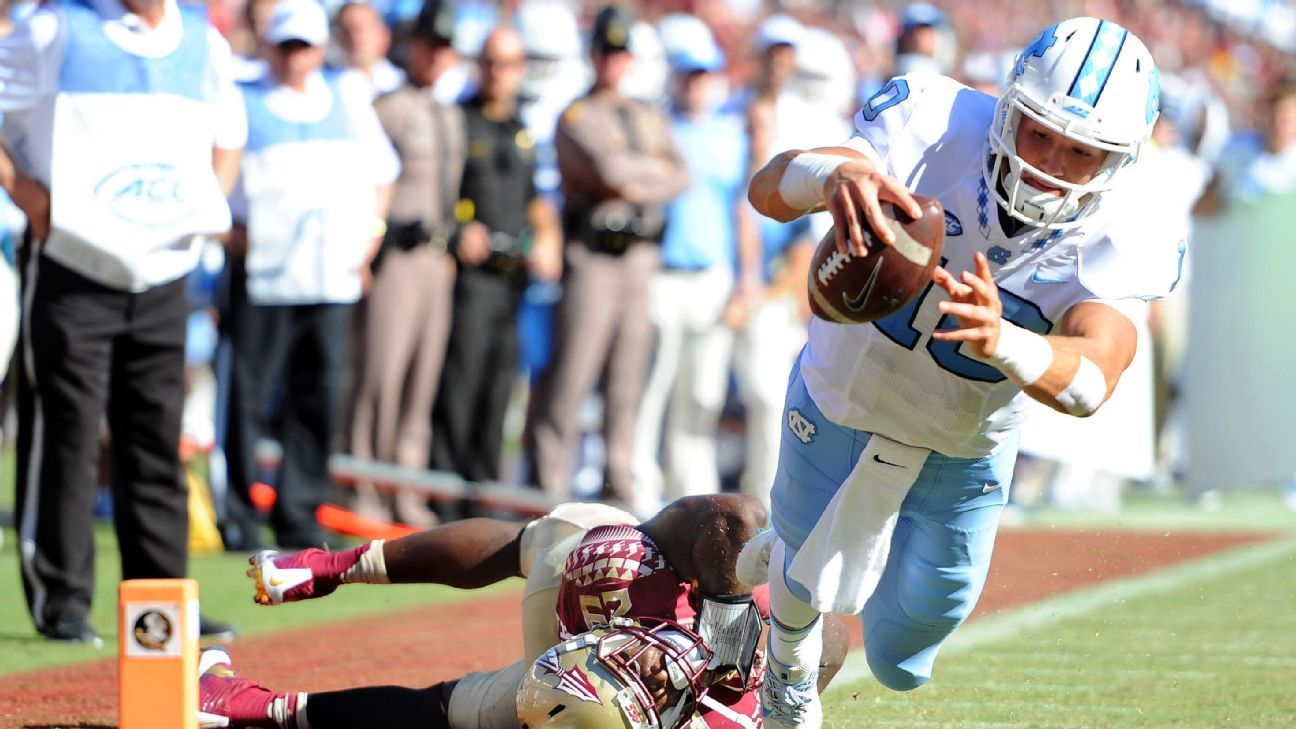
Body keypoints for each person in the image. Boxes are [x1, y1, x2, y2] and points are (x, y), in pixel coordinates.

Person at [744, 18, 1175, 728]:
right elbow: (768, 189)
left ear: (1119, 161)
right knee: (805, 579)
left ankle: (797, 552)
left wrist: (1006, 340)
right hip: (844, 396)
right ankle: (786, 671)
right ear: (1008, 107)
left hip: (966, 445)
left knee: (901, 658)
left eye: (1081, 152)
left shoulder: (1128, 223)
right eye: (1040, 133)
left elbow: (1095, 375)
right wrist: (834, 174)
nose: (1050, 164)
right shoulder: (929, 122)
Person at [0, 0, 244, 643]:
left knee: (154, 445)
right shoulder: (54, 29)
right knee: (67, 438)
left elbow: (229, 134)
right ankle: (63, 602)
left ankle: (161, 607)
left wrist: (201, 211)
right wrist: (28, 196)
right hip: (71, 266)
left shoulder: (203, 40)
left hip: (163, 273)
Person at [196, 494, 851, 728]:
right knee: (598, 542)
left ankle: (241, 700)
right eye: (644, 669)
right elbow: (732, 516)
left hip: (576, 640)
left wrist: (270, 706)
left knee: (457, 707)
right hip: (643, 583)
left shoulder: (555, 686)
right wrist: (728, 632)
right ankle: (338, 566)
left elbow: (419, 708)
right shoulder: (642, 575)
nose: (645, 665)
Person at [222, 0, 399, 550]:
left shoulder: (347, 97)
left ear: (322, 48)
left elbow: (383, 173)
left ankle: (299, 512)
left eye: (305, 46)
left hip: (329, 280)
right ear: (269, 46)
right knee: (247, 399)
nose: (296, 58)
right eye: (286, 46)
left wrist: (369, 239)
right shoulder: (243, 97)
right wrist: (231, 232)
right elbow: (221, 172)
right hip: (262, 278)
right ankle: (240, 514)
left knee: (317, 396)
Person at [527, 5, 687, 504]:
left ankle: (618, 484)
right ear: (593, 55)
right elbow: (609, 172)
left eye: (621, 52)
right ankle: (546, 486)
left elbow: (680, 176)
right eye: (606, 51)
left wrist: (635, 176)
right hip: (593, 255)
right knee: (573, 372)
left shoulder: (646, 114)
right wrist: (646, 174)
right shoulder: (578, 114)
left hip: (638, 258)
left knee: (626, 381)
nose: (613, 61)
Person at [630, 17, 760, 514]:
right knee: (650, 389)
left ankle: (692, 499)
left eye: (703, 74)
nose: (696, 83)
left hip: (711, 278)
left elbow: (740, 211)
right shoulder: (657, 129)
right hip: (662, 274)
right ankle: (641, 491)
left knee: (700, 396)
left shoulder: (728, 135)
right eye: (689, 74)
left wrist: (746, 280)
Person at [345, 0, 461, 527]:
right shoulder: (387, 107)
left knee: (421, 382)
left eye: (445, 48)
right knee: (380, 375)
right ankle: (363, 486)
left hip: (436, 259)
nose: (436, 57)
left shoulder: (448, 112)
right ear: (411, 48)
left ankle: (405, 489)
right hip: (396, 254)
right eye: (428, 47)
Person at [429, 27, 561, 484]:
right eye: (490, 63)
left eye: (507, 65)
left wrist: (547, 237)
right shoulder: (459, 121)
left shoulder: (520, 129)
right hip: (471, 274)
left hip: (512, 278)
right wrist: (459, 227)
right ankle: (444, 492)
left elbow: (534, 198)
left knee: (499, 388)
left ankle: (481, 494)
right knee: (460, 385)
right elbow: (438, 190)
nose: (497, 74)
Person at [331, 1, 404, 98]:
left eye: (360, 30)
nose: (355, 39)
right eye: (346, 30)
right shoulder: (328, 87)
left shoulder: (401, 82)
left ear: (383, 34)